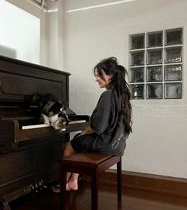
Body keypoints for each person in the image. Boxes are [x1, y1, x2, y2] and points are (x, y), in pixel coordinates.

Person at [52, 57, 132, 192]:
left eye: (99, 75)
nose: (97, 79)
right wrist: (85, 133)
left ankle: (64, 182)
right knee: (81, 140)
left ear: (110, 76)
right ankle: (73, 182)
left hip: (106, 144)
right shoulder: (122, 95)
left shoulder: (108, 95)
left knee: (70, 145)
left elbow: (98, 127)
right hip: (117, 144)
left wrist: (86, 131)